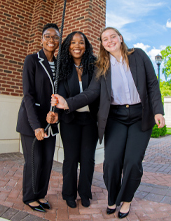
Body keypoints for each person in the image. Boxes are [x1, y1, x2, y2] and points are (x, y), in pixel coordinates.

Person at [51, 27, 165, 219]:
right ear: (102, 44)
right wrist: (67, 103)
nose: (110, 40)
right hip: (116, 117)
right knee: (111, 163)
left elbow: (152, 83)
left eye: (113, 36)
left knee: (132, 162)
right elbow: (91, 93)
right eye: (105, 39)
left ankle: (126, 200)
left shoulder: (138, 55)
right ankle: (113, 197)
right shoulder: (102, 65)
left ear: (120, 38)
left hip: (140, 114)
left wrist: (158, 111)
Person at [48, 31, 99, 208]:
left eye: (81, 42)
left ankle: (85, 193)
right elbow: (60, 95)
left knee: (87, 159)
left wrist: (69, 102)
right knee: (70, 158)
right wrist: (56, 110)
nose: (77, 46)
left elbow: (94, 94)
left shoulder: (94, 66)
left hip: (90, 119)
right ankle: (69, 193)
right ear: (68, 46)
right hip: (70, 119)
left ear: (86, 46)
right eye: (73, 42)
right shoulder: (63, 67)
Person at [16, 23, 60, 213]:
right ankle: (29, 197)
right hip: (31, 122)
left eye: (55, 37)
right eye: (47, 36)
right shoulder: (32, 60)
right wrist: (36, 126)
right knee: (34, 160)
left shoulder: (59, 66)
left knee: (48, 160)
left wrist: (57, 114)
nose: (51, 40)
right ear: (41, 39)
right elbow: (28, 95)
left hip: (51, 123)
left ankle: (41, 194)